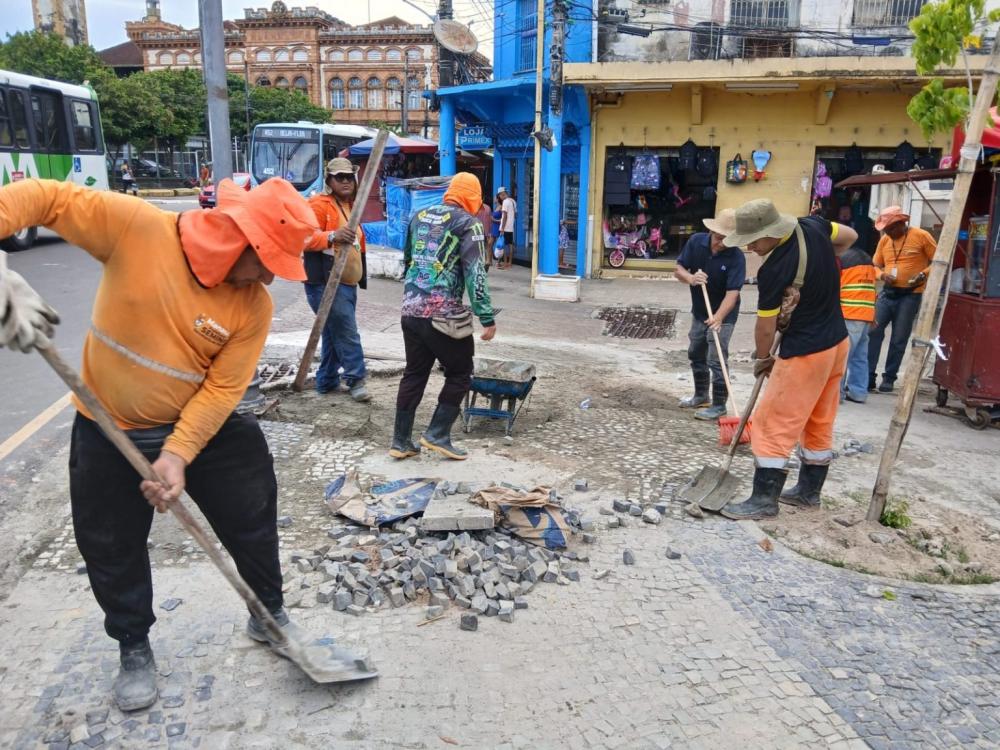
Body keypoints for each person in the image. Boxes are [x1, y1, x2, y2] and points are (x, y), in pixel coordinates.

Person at [0, 176, 325, 712]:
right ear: (237, 239)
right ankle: (133, 645)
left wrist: (176, 454)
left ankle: (268, 613)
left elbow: (223, 389)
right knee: (109, 542)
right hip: (107, 426)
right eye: (267, 259)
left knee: (253, 510)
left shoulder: (252, 307)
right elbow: (47, 199)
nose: (270, 275)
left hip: (202, 427)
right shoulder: (138, 229)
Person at [719, 199, 857, 520]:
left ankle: (764, 500)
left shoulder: (775, 269)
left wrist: (763, 359)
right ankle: (809, 493)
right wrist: (825, 260)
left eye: (753, 240)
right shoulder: (815, 226)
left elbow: (765, 327)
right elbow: (849, 236)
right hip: (837, 343)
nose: (750, 247)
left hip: (806, 353)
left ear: (771, 232)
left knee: (771, 421)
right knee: (818, 420)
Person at [390, 172, 497, 461]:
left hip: (410, 310)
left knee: (414, 373)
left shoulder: (420, 215)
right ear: (472, 196)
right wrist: (486, 317)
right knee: (460, 373)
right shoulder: (468, 224)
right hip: (443, 315)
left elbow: (409, 258)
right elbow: (475, 273)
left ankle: (400, 441)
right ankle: (437, 434)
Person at [302, 158, 371, 402]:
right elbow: (304, 239)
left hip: (348, 283)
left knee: (334, 333)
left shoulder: (351, 206)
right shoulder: (319, 205)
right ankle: (356, 378)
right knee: (346, 332)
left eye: (348, 177)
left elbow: (357, 244)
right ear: (329, 180)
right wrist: (332, 235)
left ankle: (327, 380)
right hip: (325, 282)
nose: (345, 181)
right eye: (339, 177)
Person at [674, 208, 746, 421]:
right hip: (699, 311)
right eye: (718, 237)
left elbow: (733, 294)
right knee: (696, 352)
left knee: (716, 359)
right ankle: (701, 395)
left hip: (724, 315)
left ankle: (719, 406)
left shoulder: (736, 257)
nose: (720, 243)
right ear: (711, 232)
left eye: (727, 239)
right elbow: (678, 269)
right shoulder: (696, 242)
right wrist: (691, 278)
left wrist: (719, 317)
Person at [867, 206, 937, 393]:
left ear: (901, 224)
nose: (888, 233)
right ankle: (869, 375)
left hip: (910, 294)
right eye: (886, 230)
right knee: (873, 331)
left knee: (899, 337)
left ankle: (889, 378)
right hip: (888, 292)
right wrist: (882, 276)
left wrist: (923, 274)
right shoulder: (885, 241)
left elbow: (938, 261)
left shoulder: (921, 236)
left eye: (890, 229)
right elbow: (874, 265)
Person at [837, 243, 877, 404]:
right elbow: (872, 291)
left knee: (842, 356)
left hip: (849, 314)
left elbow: (836, 289)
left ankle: (837, 394)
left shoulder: (842, 261)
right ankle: (858, 392)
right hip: (866, 315)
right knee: (860, 356)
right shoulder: (867, 261)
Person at [498, 187, 516, 269]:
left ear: (502, 194)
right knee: (510, 245)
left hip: (505, 228)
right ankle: (510, 263)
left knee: (505, 246)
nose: (500, 198)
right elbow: (515, 214)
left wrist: (502, 228)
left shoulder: (505, 202)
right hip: (511, 227)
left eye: (500, 196)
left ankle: (505, 264)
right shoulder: (512, 201)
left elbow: (504, 216)